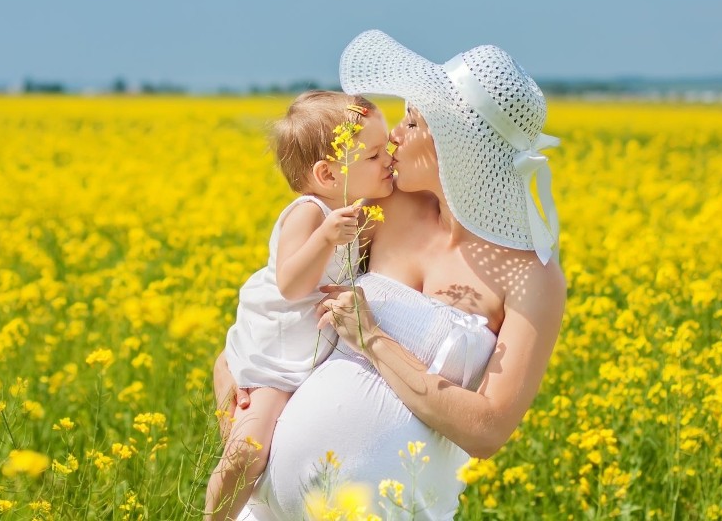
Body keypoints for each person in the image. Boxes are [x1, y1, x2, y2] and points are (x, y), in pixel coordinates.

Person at [214, 30, 566, 519]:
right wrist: (229, 370)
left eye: (413, 122)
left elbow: (488, 431)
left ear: (456, 145)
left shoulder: (533, 275)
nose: (395, 136)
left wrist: (374, 339)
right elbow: (281, 297)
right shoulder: (386, 205)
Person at [205, 90, 396, 520]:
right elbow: (292, 284)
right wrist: (327, 236)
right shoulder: (308, 214)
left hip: (306, 354)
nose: (388, 160)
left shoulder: (351, 210)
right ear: (328, 174)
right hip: (275, 361)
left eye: (389, 149)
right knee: (247, 455)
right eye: (374, 155)